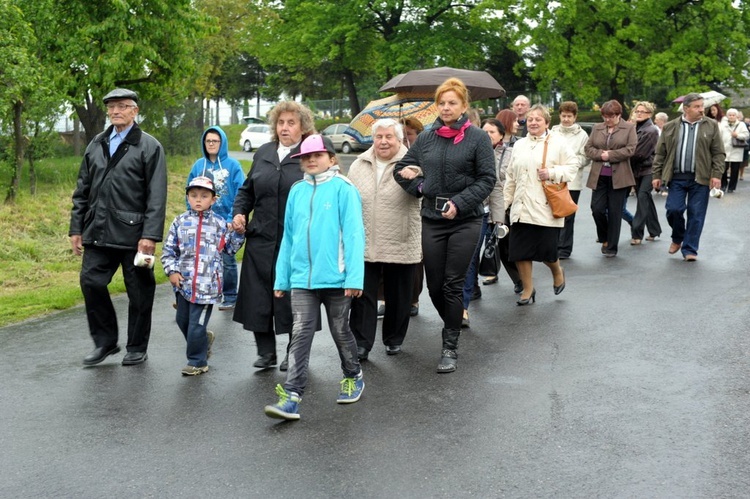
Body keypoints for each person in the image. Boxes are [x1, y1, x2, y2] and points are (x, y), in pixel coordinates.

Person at [394, 77, 496, 373]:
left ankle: (449, 345)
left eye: (452, 102)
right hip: (432, 219)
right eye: (442, 102)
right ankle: (453, 318)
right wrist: (420, 187)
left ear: (464, 105)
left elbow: (487, 179)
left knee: (452, 284)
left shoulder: (477, 138)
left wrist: (460, 203)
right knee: (435, 287)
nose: (447, 107)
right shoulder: (426, 137)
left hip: (467, 220)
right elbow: (401, 170)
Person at [264, 135, 365, 421]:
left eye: (317, 155)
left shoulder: (344, 189)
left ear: (332, 159)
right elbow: (289, 238)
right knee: (300, 334)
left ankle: (353, 375)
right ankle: (292, 396)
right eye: (305, 157)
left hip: (337, 279)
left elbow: (355, 235)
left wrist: (355, 277)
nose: (310, 160)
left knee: (340, 330)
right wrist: (281, 279)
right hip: (301, 280)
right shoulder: (297, 190)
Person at [70, 88, 167, 367]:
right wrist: (76, 228)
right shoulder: (96, 144)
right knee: (91, 282)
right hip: (97, 231)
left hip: (134, 234)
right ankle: (105, 342)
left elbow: (156, 195)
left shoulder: (149, 146)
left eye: (122, 106)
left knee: (139, 291)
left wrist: (149, 235)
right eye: (111, 107)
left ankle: (137, 346)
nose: (116, 112)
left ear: (135, 111)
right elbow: (82, 191)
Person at [232, 102, 316, 371]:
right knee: (258, 297)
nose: (285, 128)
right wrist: (240, 213)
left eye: (291, 123)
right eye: (281, 123)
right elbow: (247, 190)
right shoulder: (265, 152)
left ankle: (295, 352)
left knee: (293, 298)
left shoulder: (310, 154)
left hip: (296, 242)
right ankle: (266, 353)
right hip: (261, 238)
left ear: (303, 127)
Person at [347, 119, 420, 359]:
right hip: (365, 238)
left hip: (401, 237)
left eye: (389, 136)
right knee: (362, 294)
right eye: (379, 137)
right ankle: (362, 343)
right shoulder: (359, 164)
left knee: (399, 294)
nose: (384, 141)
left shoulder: (414, 164)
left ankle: (393, 338)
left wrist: (417, 174)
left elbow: (424, 191)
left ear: (400, 140)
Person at [161, 174, 244, 375]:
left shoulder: (219, 225)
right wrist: (172, 271)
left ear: (213, 199)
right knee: (183, 322)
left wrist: (239, 233)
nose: (198, 199)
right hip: (184, 285)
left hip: (208, 288)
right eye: (194, 195)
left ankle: (197, 361)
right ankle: (203, 339)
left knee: (195, 326)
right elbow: (168, 251)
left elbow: (230, 250)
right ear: (187, 197)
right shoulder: (179, 222)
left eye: (204, 196)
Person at [503, 104, 577, 306]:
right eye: (530, 119)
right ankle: (527, 289)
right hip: (520, 207)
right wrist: (503, 204)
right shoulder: (519, 145)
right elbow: (510, 177)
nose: (533, 122)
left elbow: (573, 166)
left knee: (547, 251)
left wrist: (552, 173)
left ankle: (557, 270)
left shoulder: (558, 143)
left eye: (538, 119)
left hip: (545, 208)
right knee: (519, 251)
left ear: (547, 122)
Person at [652, 92, 725, 261]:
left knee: (696, 214)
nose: (701, 110)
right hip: (676, 177)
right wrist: (656, 175)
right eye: (697, 107)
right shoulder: (670, 126)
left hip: (701, 178)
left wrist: (716, 175)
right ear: (686, 109)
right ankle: (678, 237)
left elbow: (718, 153)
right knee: (673, 210)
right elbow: (660, 153)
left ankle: (690, 249)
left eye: (702, 106)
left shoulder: (711, 125)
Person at [187, 126, 245, 310]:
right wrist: (192, 214)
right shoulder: (198, 166)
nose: (211, 144)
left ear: (222, 143)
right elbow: (189, 191)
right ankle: (195, 295)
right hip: (202, 220)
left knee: (226, 259)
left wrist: (232, 217)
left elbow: (241, 192)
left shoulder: (233, 166)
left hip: (225, 221)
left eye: (215, 141)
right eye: (208, 141)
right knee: (200, 259)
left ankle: (230, 295)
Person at [584, 100, 637, 257]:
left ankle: (611, 247)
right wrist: (601, 155)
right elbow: (588, 148)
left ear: (619, 115)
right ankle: (604, 237)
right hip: (599, 176)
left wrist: (611, 155)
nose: (607, 120)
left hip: (620, 177)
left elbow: (631, 149)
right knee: (597, 209)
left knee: (615, 212)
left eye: (611, 116)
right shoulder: (597, 128)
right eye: (605, 116)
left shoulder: (629, 128)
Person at [550, 101, 591, 259]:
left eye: (569, 116)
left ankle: (565, 248)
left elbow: (585, 157)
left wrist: (570, 165)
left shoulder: (582, 135)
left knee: (568, 215)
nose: (566, 119)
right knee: (552, 214)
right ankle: (552, 246)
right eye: (563, 116)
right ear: (559, 116)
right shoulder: (552, 132)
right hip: (553, 179)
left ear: (575, 117)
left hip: (572, 181)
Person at [400, 117, 425, 317]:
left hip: (419, 211)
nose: (405, 137)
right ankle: (386, 298)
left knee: (415, 259)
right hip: (396, 211)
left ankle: (413, 298)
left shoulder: (424, 152)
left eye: (408, 134)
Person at [628, 101, 662, 244]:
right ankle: (654, 230)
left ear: (650, 114)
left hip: (649, 169)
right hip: (637, 170)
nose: (639, 113)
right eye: (637, 111)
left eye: (643, 111)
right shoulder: (635, 128)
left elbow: (638, 153)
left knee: (642, 197)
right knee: (646, 199)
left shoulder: (651, 130)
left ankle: (637, 233)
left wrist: (618, 156)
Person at [718, 108, 749, 193]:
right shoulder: (722, 125)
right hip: (724, 149)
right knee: (723, 169)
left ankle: (732, 187)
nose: (731, 116)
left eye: (733, 115)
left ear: (736, 116)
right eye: (730, 115)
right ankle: (723, 185)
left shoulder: (741, 124)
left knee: (735, 170)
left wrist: (737, 135)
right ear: (727, 116)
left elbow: (746, 135)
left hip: (736, 150)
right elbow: (718, 135)